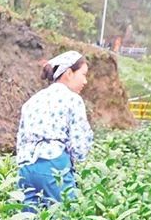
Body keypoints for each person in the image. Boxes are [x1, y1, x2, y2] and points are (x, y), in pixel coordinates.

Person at [15, 50, 94, 210]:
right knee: (65, 218)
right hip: (54, 165)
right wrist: (79, 156)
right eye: (83, 74)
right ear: (69, 73)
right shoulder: (72, 99)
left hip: (26, 167)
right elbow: (79, 144)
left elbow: (21, 137)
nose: (85, 81)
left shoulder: (33, 100)